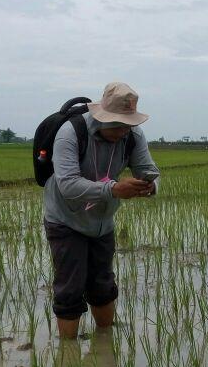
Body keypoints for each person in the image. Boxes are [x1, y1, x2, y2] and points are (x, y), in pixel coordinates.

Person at [43, 81, 161, 340]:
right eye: (117, 124)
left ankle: (105, 344)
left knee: (103, 284)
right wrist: (115, 190)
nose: (123, 131)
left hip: (102, 221)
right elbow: (68, 184)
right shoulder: (70, 133)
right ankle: (68, 357)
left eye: (127, 124)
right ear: (102, 116)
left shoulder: (132, 135)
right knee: (70, 288)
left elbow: (150, 171)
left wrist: (149, 186)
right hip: (65, 218)